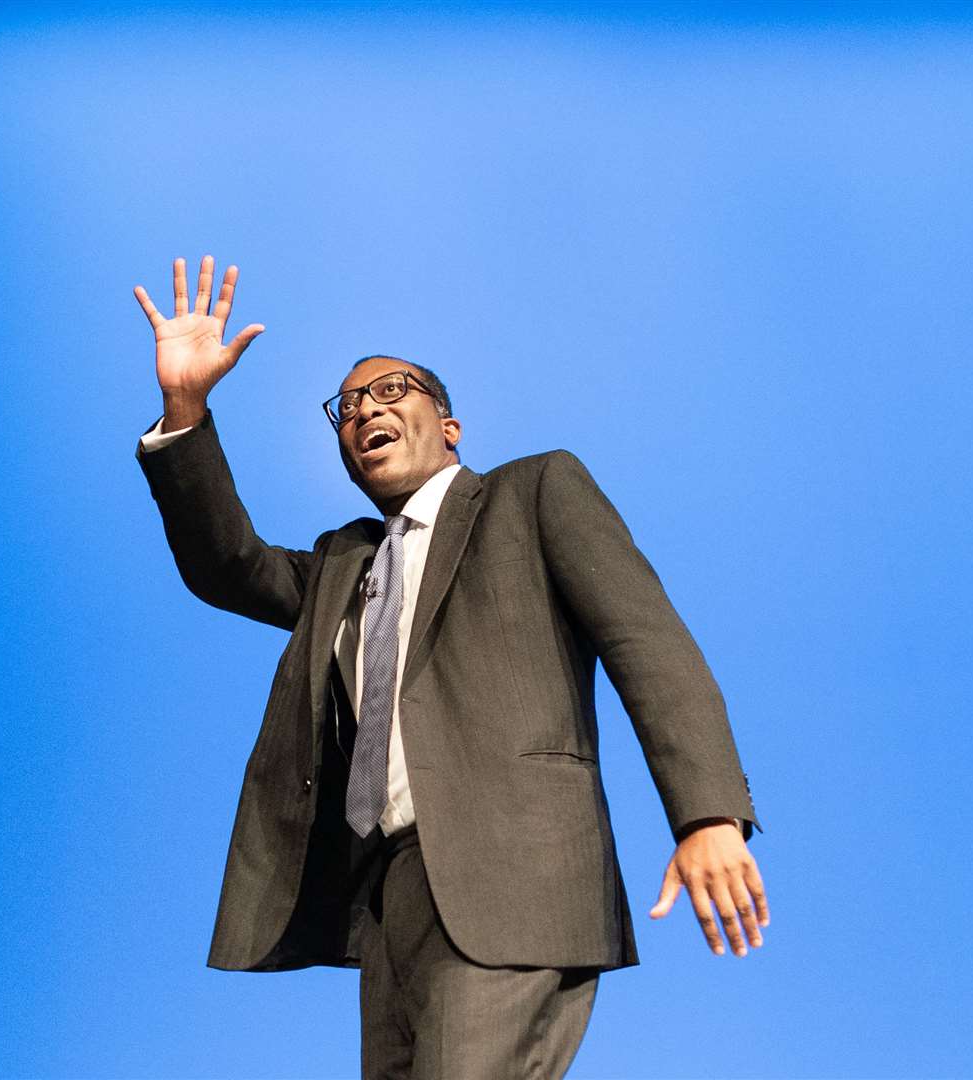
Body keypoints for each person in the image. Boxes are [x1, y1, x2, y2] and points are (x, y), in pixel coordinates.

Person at [132, 255, 768, 1077]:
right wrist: (186, 407)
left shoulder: (533, 494)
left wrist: (707, 814)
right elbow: (226, 564)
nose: (365, 410)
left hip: (516, 877)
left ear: (450, 424)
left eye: (391, 390)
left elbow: (649, 643)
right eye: (348, 406)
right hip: (390, 900)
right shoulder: (340, 566)